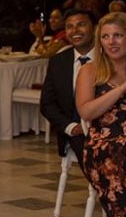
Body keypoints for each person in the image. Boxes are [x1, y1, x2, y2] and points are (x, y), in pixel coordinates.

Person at [76, 12, 126, 217]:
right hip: (105, 145)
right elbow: (87, 112)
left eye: (118, 36)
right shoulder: (91, 71)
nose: (112, 42)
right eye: (106, 36)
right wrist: (122, 89)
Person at [40, 10, 95, 168]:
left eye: (81, 25)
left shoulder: (108, 58)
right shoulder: (58, 62)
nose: (75, 31)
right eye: (69, 27)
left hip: (105, 129)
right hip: (75, 133)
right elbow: (47, 104)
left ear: (94, 28)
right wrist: (70, 127)